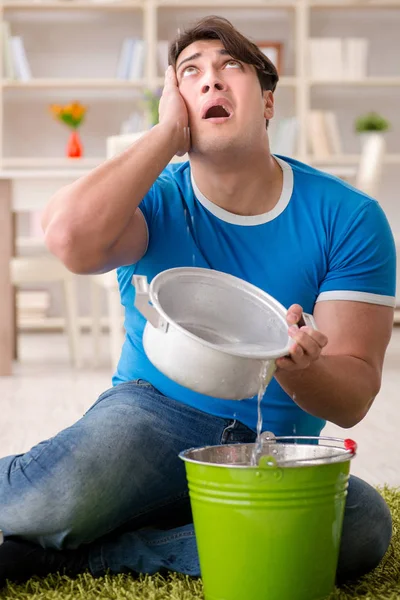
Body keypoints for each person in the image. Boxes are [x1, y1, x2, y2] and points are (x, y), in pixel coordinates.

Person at [0, 15, 396, 588]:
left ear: (267, 102)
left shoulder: (349, 217)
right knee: (52, 496)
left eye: (231, 66)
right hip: (150, 417)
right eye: (191, 74)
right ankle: (101, 519)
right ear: (175, 102)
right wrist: (164, 137)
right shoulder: (153, 202)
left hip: (267, 448)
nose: (211, 80)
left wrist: (301, 370)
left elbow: (356, 390)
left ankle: (87, 551)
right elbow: (67, 239)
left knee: (360, 527)